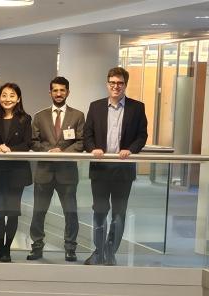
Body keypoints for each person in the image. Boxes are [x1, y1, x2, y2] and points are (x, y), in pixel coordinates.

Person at [83, 66, 148, 266]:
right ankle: (98, 251)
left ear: (125, 85)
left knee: (118, 213)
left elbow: (142, 135)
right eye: (112, 83)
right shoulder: (95, 107)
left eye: (120, 83)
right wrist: (93, 148)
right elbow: (87, 135)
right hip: (100, 169)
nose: (116, 86)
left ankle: (110, 251)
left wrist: (131, 149)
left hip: (123, 169)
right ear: (107, 84)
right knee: (100, 211)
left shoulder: (137, 107)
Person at [27, 76, 85, 262]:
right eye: (55, 90)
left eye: (62, 90)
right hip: (44, 171)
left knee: (70, 212)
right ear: (50, 92)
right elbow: (33, 141)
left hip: (67, 172)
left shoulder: (77, 116)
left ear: (68, 92)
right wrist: (49, 151)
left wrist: (63, 152)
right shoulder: (40, 116)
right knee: (39, 211)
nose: (58, 94)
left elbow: (82, 141)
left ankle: (70, 247)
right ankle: (37, 246)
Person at [0, 82, 33, 263]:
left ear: (18, 98)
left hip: (16, 173)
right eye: (4, 95)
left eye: (12, 95)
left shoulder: (25, 119)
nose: (7, 99)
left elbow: (27, 144)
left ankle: (7, 249)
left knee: (12, 211)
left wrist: (9, 148)